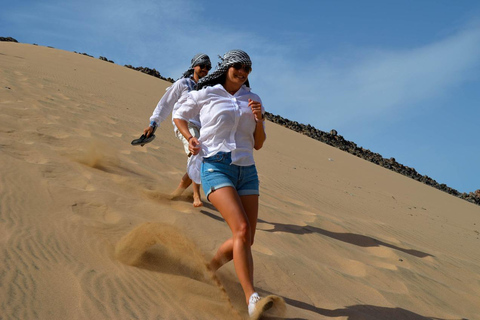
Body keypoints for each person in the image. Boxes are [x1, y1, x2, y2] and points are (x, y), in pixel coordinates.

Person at [173, 50, 270, 317]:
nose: (242, 72)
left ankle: (207, 269)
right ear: (226, 67)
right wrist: (190, 138)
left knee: (246, 239)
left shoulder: (254, 99)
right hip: (216, 166)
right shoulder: (209, 93)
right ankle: (252, 298)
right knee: (240, 229)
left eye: (247, 69)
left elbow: (259, 143)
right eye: (237, 66)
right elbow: (179, 114)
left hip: (247, 170)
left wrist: (259, 119)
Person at [143, 53, 211, 207]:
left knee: (203, 159)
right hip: (184, 125)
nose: (205, 69)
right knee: (197, 152)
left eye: (208, 67)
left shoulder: (207, 88)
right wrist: (153, 123)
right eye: (202, 66)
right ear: (194, 66)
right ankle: (196, 195)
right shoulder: (182, 84)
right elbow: (165, 104)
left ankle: (177, 194)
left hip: (201, 128)